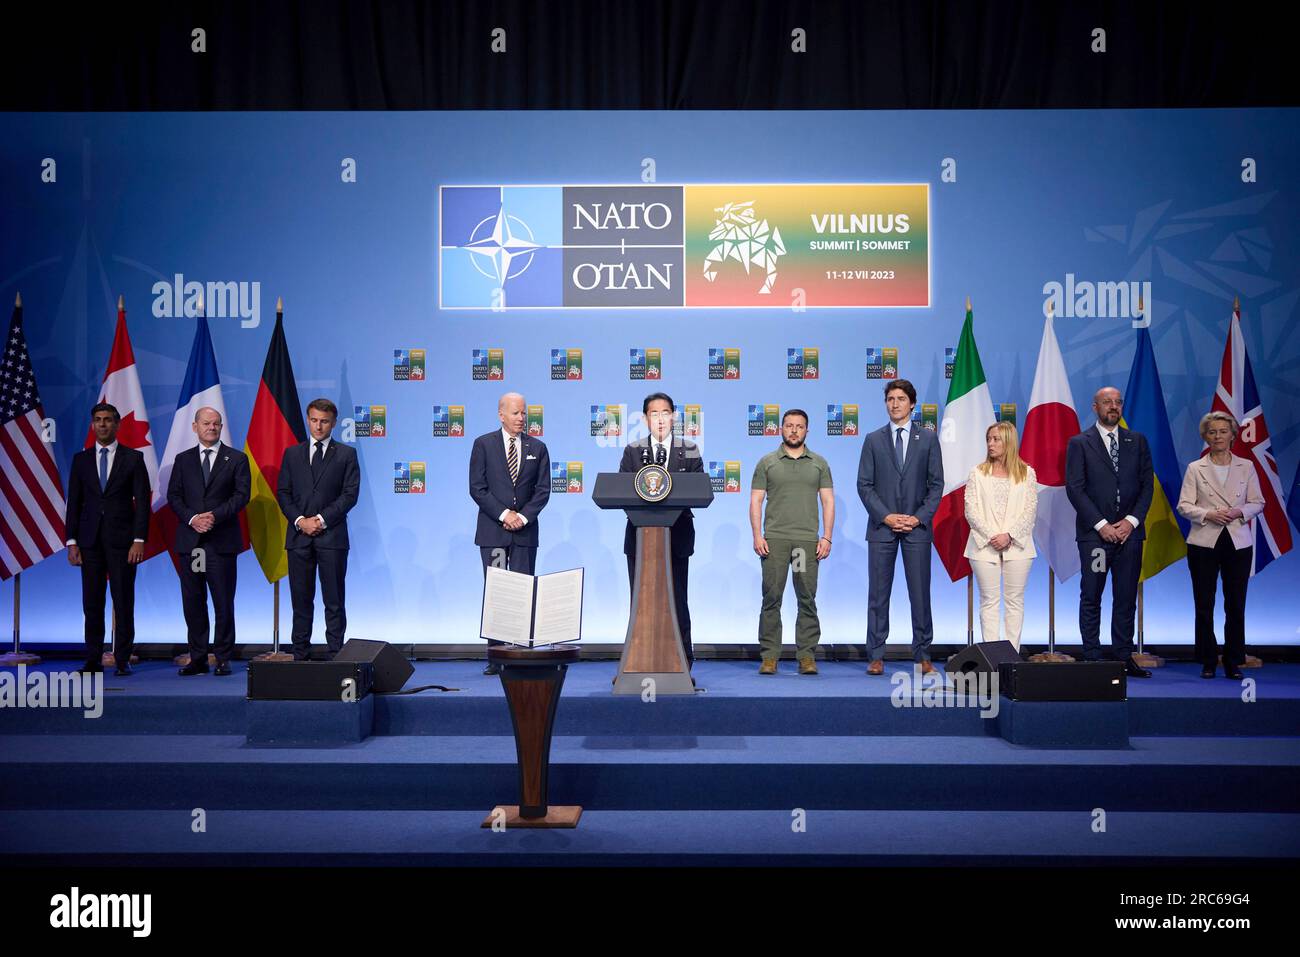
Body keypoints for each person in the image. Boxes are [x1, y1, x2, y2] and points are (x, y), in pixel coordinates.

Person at [1064, 386, 1154, 678]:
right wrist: (1102, 525)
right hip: (1096, 539)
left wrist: (1130, 521)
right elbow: (1075, 489)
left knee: (1126, 596)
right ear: (1095, 407)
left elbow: (1146, 487)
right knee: (1092, 593)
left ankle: (1123, 656)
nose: (1113, 407)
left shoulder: (1137, 441)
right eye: (1107, 402)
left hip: (1130, 536)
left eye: (1117, 402)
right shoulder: (1080, 443)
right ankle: (1092, 656)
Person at [856, 379, 944, 675]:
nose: (895, 403)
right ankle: (876, 655)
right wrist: (886, 516)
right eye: (890, 399)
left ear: (912, 404)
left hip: (917, 530)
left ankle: (923, 655)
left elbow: (936, 485)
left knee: (920, 594)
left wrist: (918, 517)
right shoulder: (873, 439)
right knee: (878, 595)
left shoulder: (928, 439)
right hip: (882, 529)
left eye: (901, 399)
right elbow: (864, 486)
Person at [1176, 411, 1264, 680]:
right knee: (1204, 603)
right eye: (1212, 432)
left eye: (1223, 432)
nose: (1218, 437)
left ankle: (1233, 660)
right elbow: (1183, 505)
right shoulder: (1195, 468)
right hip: (1204, 540)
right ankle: (1207, 660)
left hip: (1237, 542)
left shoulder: (1246, 466)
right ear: (1205, 437)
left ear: (1233, 435)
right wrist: (1207, 514)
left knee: (1235, 604)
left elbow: (1258, 502)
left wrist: (1238, 512)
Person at [64, 403, 151, 675]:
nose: (102, 425)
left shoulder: (133, 458)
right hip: (89, 542)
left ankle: (122, 658)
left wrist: (139, 539)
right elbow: (74, 503)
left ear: (117, 424)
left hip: (123, 542)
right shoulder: (81, 460)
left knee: (123, 601)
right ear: (93, 425)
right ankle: (93, 658)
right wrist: (71, 541)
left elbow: (143, 503)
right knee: (92, 602)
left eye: (108, 420)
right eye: (98, 420)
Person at [619, 392, 704, 666]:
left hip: (676, 537)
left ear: (674, 417)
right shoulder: (633, 451)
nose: (659, 419)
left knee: (677, 599)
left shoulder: (689, 450)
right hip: (640, 538)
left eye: (665, 413)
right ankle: (638, 662)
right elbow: (619, 491)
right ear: (644, 419)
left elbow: (698, 490)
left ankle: (682, 662)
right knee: (640, 603)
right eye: (653, 414)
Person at [469, 392, 551, 675]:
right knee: (497, 593)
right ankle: (496, 656)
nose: (521, 418)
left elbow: (543, 491)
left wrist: (523, 518)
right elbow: (477, 488)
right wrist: (505, 515)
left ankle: (521, 653)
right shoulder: (483, 445)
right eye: (516, 413)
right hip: (493, 532)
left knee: (523, 592)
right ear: (501, 414)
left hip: (525, 534)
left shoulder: (538, 448)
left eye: (524, 413)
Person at [167, 407, 251, 676]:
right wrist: (193, 519)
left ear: (221, 426)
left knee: (223, 602)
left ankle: (224, 657)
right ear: (195, 427)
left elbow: (241, 496)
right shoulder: (182, 460)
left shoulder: (236, 459)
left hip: (221, 541)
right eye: (206, 423)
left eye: (216, 424)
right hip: (191, 542)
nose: (211, 428)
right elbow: (174, 496)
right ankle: (198, 658)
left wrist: (213, 516)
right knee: (193, 602)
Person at [750, 409, 834, 675]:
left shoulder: (818, 463)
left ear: (807, 430)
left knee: (806, 599)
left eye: (799, 426)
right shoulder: (767, 462)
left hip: (805, 543)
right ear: (781, 429)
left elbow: (828, 501)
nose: (794, 430)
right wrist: (757, 535)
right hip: (774, 542)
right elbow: (755, 501)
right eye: (789, 425)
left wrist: (827, 536)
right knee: (772, 598)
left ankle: (806, 656)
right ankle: (769, 657)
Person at [276, 399, 360, 661]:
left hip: (332, 538)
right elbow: (283, 493)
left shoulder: (346, 454)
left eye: (324, 421)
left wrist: (321, 520)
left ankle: (336, 653)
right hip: (299, 538)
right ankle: (300, 653)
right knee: (301, 601)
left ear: (333, 423)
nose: (319, 426)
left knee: (334, 601)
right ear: (308, 420)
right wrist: (301, 521)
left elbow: (349, 495)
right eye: (314, 420)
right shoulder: (292, 454)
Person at [964, 421, 1038, 650]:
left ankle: (1011, 656)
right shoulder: (978, 473)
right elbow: (971, 509)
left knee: (1014, 602)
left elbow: (1030, 510)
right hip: (984, 546)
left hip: (1018, 547)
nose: (990, 444)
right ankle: (993, 655)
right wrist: (992, 536)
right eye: (989, 439)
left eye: (996, 439)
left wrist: (1009, 536)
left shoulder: (1027, 473)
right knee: (989, 602)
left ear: (1009, 441)